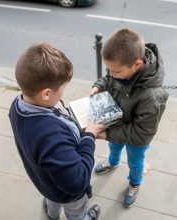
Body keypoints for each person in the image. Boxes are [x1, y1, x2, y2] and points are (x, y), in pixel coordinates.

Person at [9, 42, 105, 220]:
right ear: (46, 94)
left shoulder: (17, 105)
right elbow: (77, 182)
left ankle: (52, 215)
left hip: (45, 182)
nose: (63, 92)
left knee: (51, 201)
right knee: (76, 212)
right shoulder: (51, 137)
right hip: (69, 196)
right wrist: (89, 136)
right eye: (63, 88)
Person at [90, 28, 169, 208]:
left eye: (115, 71)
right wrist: (98, 86)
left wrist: (104, 134)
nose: (111, 74)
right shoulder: (120, 70)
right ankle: (113, 161)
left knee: (135, 161)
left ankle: (134, 183)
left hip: (136, 139)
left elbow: (141, 135)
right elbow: (108, 80)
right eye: (108, 69)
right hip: (117, 124)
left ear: (138, 65)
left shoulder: (152, 97)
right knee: (114, 146)